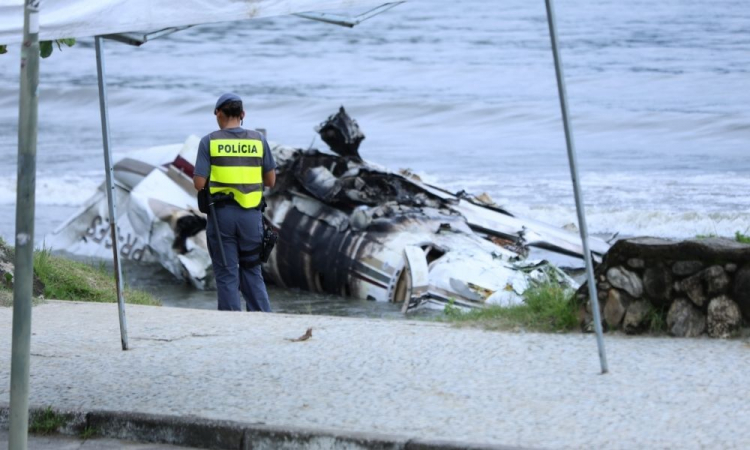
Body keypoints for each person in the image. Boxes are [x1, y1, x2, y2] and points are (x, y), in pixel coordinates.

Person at [193, 93, 276, 312]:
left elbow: (199, 184)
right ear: (243, 114)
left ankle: (230, 325)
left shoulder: (209, 141)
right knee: (252, 270)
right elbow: (270, 180)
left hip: (222, 218)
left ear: (218, 113)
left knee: (227, 272)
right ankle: (262, 319)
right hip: (251, 216)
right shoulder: (259, 140)